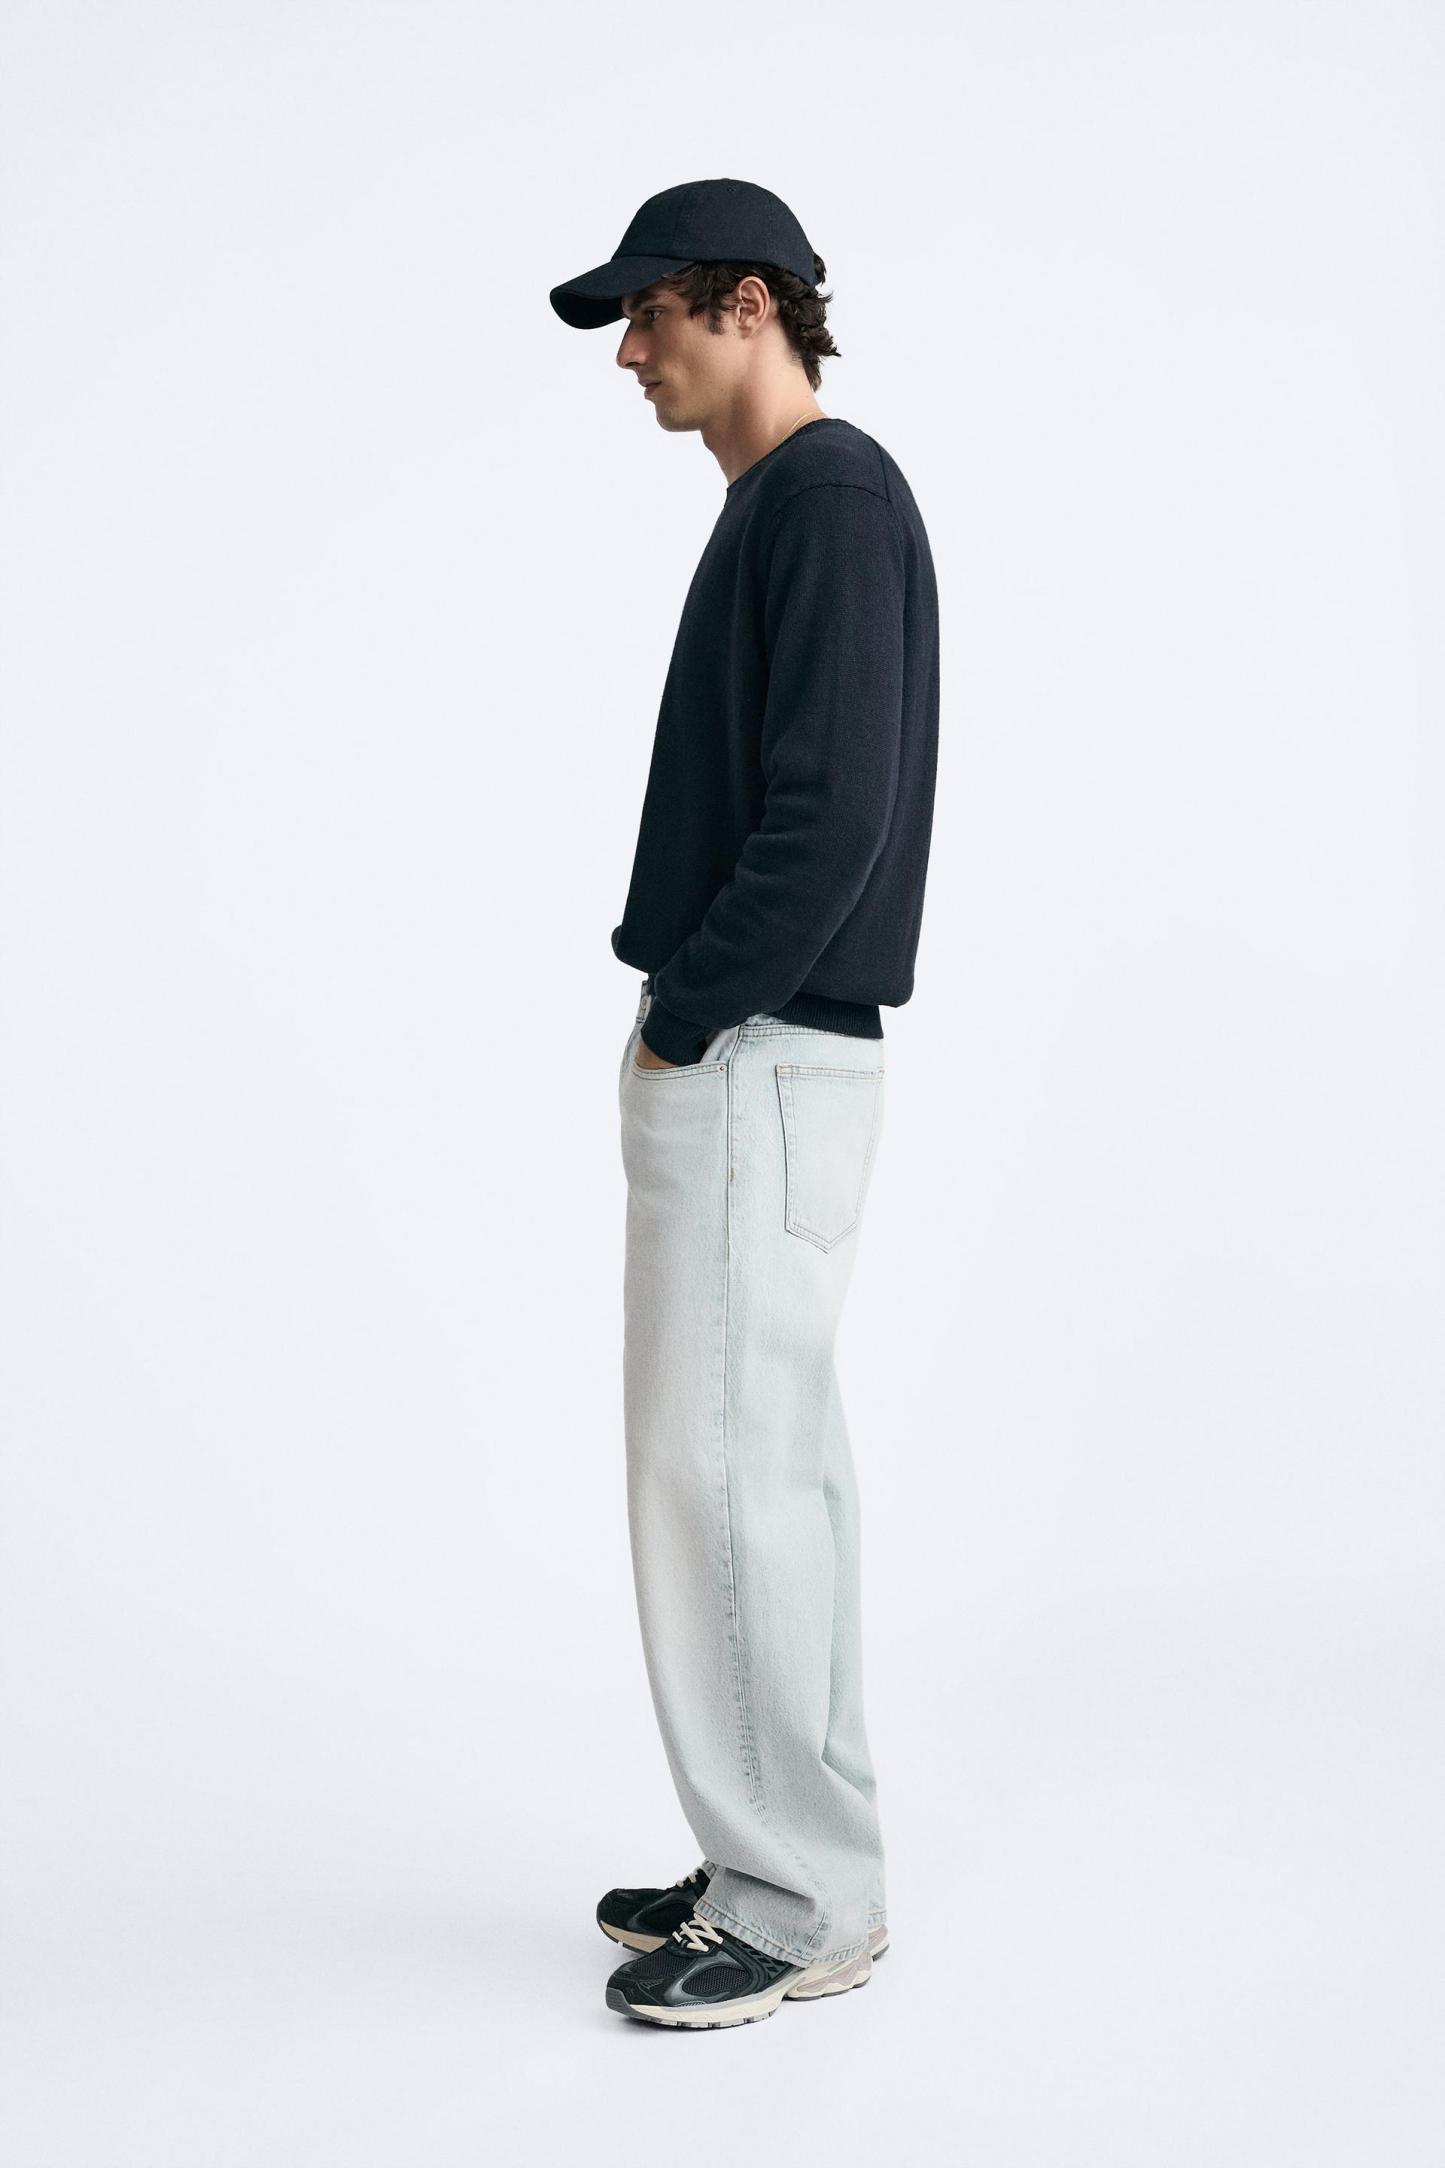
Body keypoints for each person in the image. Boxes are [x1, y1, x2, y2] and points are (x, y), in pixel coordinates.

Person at [550, 177, 940, 2030]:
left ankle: (793, 1904)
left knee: (719, 1480)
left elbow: (829, 814)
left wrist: (684, 1019)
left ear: (748, 303)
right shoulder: (793, 502)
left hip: (757, 1049)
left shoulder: (825, 498)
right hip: (774, 1053)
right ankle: (783, 1855)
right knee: (761, 1473)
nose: (628, 352)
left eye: (649, 312)